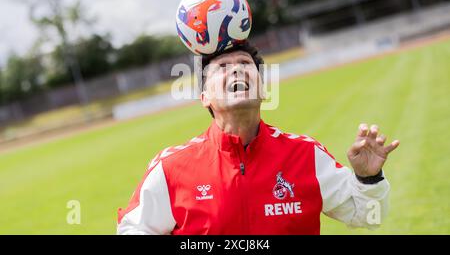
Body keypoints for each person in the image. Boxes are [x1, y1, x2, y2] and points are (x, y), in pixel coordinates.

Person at [117, 42, 400, 235]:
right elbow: (133, 228)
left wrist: (368, 179)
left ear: (263, 88)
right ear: (205, 97)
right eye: (223, 67)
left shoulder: (305, 155)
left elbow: (367, 215)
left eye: (244, 63)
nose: (237, 69)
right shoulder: (172, 168)